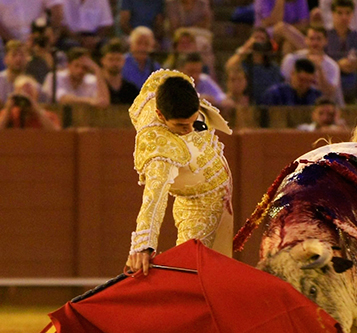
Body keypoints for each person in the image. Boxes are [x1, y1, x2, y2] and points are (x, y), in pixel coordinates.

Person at [126, 69, 234, 275]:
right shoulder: (158, 145)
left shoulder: (166, 85)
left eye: (194, 121)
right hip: (199, 202)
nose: (190, 129)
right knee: (191, 272)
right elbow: (154, 195)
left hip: (216, 185)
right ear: (160, 115)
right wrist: (143, 245)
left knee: (211, 269)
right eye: (182, 125)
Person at [324, 0, 357, 104]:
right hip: (332, 74)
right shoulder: (326, 35)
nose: (344, 17)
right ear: (333, 14)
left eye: (348, 13)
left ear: (352, 14)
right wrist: (338, 65)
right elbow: (322, 61)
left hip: (354, 74)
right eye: (340, 13)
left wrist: (355, 64)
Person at [280, 26, 344, 105]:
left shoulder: (332, 66)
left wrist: (319, 69)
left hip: (321, 104)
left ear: (325, 41)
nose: (315, 43)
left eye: (319, 39)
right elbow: (284, 86)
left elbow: (329, 94)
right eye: (311, 39)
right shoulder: (292, 59)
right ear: (306, 40)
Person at [225, 27, 283, 104]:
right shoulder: (243, 65)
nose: (258, 41)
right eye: (256, 38)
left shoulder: (273, 68)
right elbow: (229, 67)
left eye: (262, 39)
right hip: (246, 103)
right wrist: (247, 47)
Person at [42, 47, 109, 106]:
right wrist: (90, 101)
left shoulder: (92, 80)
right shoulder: (54, 77)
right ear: (68, 65)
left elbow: (103, 101)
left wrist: (97, 69)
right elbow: (63, 99)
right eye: (76, 66)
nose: (80, 70)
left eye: (84, 67)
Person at [100, 38, 139, 105]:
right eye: (111, 59)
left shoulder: (131, 89)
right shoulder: (96, 87)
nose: (115, 63)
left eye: (118, 59)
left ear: (123, 61)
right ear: (103, 61)